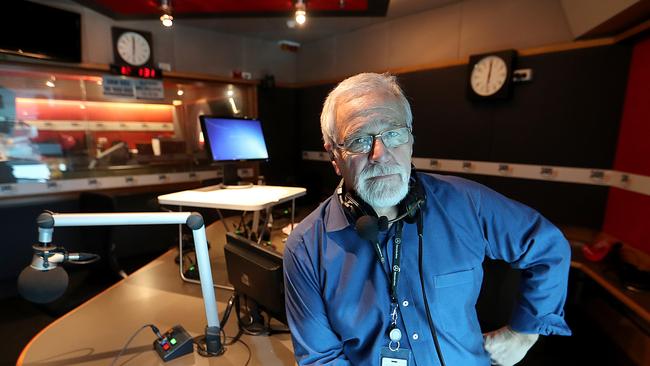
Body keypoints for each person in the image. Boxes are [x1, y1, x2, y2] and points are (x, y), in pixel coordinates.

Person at [283, 72, 571, 366]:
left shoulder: (467, 203)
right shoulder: (305, 248)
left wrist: (522, 333)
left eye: (394, 133)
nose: (380, 154)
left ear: (410, 140)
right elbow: (322, 359)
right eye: (359, 140)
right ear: (334, 157)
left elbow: (547, 247)